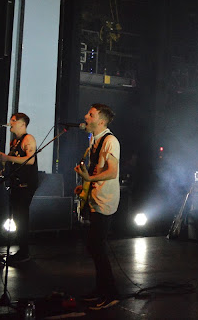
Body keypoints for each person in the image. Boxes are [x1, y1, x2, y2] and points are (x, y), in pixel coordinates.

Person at [74, 103, 121, 310]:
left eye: (90, 114)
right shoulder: (94, 140)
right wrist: (84, 185)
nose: (85, 116)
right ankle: (101, 290)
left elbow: (112, 172)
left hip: (105, 201)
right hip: (95, 198)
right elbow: (95, 171)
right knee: (94, 247)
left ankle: (111, 294)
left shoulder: (110, 141)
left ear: (101, 121)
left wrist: (90, 177)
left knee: (97, 248)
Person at [0, 112, 38, 263]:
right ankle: (20, 250)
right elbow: (14, 162)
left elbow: (30, 161)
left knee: (21, 217)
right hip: (16, 184)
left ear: (22, 123)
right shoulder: (14, 142)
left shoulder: (28, 139)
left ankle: (24, 252)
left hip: (26, 184)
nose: (10, 123)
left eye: (13, 120)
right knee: (17, 217)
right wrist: (5, 167)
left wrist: (7, 158)